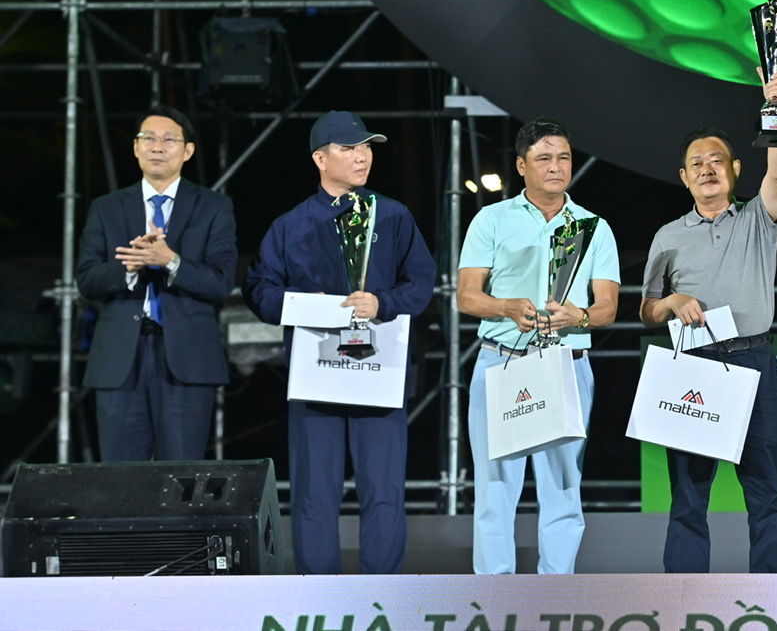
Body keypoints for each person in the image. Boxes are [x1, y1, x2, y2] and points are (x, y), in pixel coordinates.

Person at [243, 110, 436, 574]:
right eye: (349, 148)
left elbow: (423, 281)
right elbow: (258, 288)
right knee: (313, 491)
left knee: (384, 488)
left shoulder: (392, 215)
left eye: (367, 147)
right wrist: (303, 305)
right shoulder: (292, 224)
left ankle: (382, 594)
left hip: (379, 370)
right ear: (320, 159)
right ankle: (317, 595)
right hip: (317, 375)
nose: (362, 156)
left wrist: (383, 302)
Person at [639, 69, 777, 574]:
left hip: (755, 362)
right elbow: (646, 309)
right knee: (687, 497)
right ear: (683, 176)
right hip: (695, 365)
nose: (707, 170)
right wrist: (672, 300)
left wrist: (775, 107)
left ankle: (772, 604)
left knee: (768, 495)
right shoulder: (666, 236)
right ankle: (683, 604)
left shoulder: (757, 218)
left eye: (717, 161)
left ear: (736, 169)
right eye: (696, 164)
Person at [457, 118, 620, 575]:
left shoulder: (593, 227)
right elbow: (466, 296)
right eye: (544, 158)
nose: (555, 167)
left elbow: (606, 306)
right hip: (501, 363)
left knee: (564, 489)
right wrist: (506, 307)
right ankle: (494, 601)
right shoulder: (491, 218)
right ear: (521, 166)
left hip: (566, 364)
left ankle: (555, 599)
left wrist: (580, 316)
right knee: (494, 490)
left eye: (563, 157)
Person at [75, 105, 236, 461]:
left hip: (187, 359)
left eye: (168, 139)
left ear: (187, 150)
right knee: (120, 481)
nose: (157, 146)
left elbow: (221, 282)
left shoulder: (214, 207)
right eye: (148, 138)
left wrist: (170, 261)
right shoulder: (107, 207)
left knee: (179, 478)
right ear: (135, 148)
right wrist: (130, 268)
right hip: (120, 359)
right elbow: (86, 280)